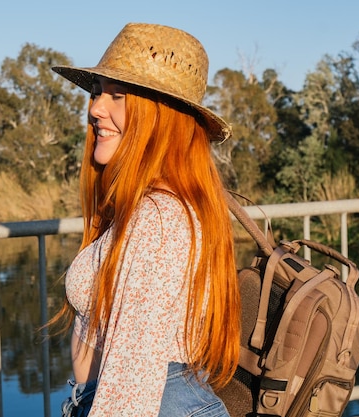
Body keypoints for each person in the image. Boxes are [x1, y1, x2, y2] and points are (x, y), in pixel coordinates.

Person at [51, 22, 241, 417]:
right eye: (98, 91)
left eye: (117, 96)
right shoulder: (152, 207)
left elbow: (133, 386)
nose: (95, 108)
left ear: (161, 116)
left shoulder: (159, 218)